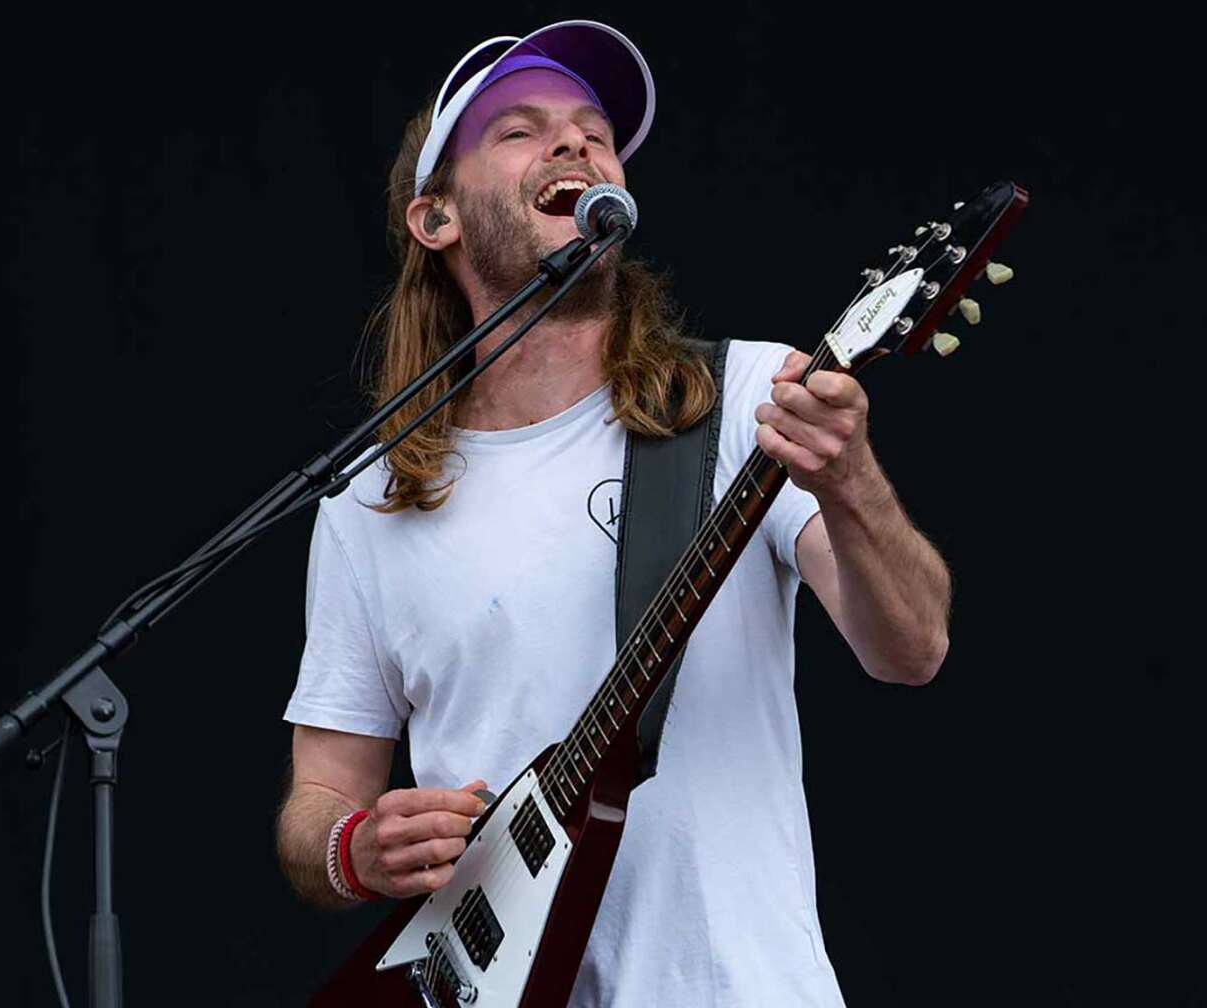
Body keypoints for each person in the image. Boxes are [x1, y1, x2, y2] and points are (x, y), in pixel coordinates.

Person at [275, 20, 951, 1007]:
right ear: (435, 219)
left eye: (595, 132)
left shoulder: (744, 399)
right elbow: (318, 799)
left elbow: (912, 647)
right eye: (519, 130)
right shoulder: (369, 500)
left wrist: (851, 486)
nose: (575, 144)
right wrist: (355, 848)